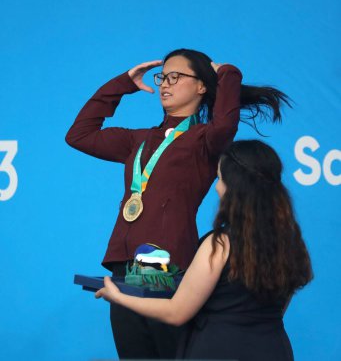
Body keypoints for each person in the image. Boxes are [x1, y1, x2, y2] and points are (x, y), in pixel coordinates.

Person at [65, 48, 290, 358]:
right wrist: (121, 84)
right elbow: (79, 135)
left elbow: (225, 124)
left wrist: (227, 72)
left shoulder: (205, 140)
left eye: (175, 77)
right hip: (123, 264)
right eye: (162, 78)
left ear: (201, 86)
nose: (165, 85)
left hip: (166, 265)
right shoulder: (138, 139)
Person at [96, 139, 313, 361]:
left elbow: (177, 312)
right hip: (274, 349)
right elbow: (278, 309)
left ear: (234, 185)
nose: (217, 187)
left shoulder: (219, 245)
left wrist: (119, 296)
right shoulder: (292, 243)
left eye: (220, 179)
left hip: (219, 349)